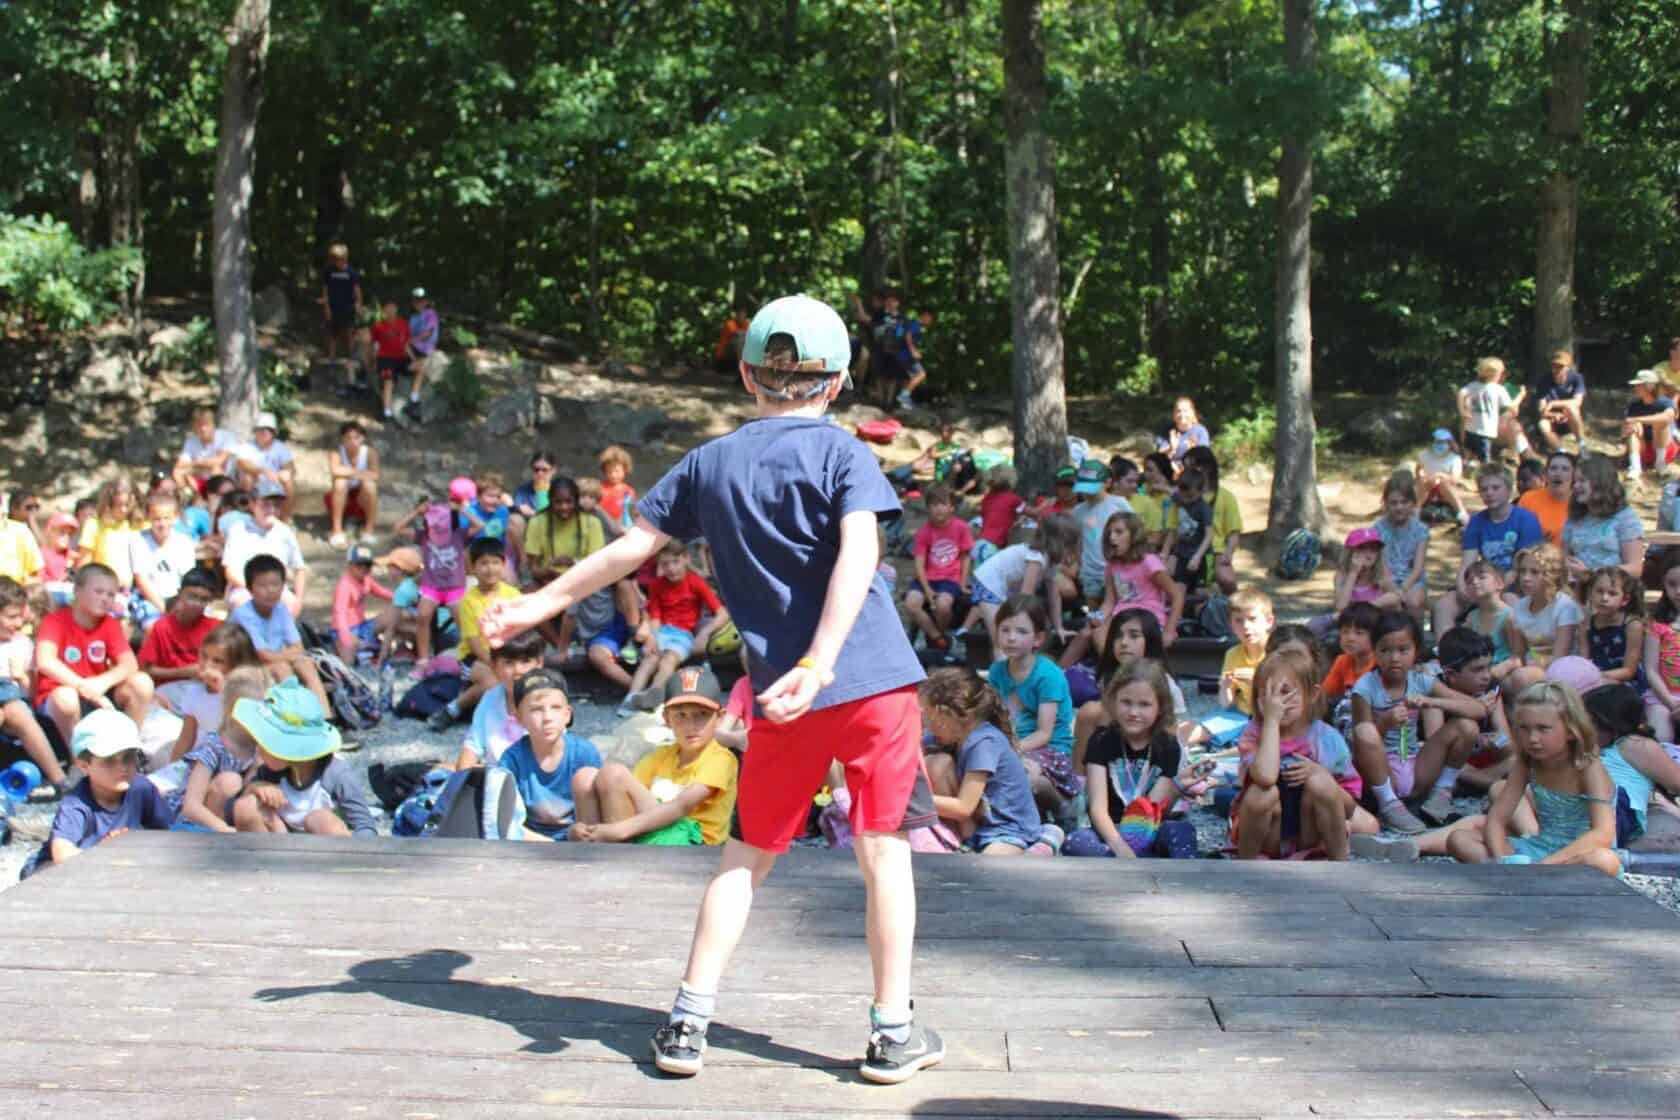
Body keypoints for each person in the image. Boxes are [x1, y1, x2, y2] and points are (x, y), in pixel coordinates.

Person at [479, 295, 943, 1084]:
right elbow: (858, 556)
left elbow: (631, 546)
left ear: (744, 375)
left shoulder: (708, 463)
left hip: (782, 699)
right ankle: (891, 1034)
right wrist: (821, 661)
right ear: (836, 384)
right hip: (867, 684)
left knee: (743, 857)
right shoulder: (846, 457)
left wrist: (540, 600)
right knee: (882, 851)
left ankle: (688, 1023)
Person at [1445, 681, 1621, 876]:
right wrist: (1501, 858)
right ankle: (1521, 876)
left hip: (1576, 854)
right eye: (1524, 729)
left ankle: (1529, 877)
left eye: (1543, 729)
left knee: (1605, 860)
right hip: (1540, 847)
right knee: (1459, 839)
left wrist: (1545, 865)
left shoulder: (1588, 766)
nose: (1532, 738)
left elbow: (1603, 834)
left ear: (1572, 731)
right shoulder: (1526, 762)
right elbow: (1496, 818)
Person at [575, 666, 740, 846]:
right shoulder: (662, 755)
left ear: (720, 718)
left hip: (694, 844)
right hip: (655, 833)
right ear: (667, 719)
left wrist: (619, 830)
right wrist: (578, 829)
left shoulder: (720, 758)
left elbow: (682, 806)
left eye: (701, 715)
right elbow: (626, 796)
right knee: (585, 777)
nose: (690, 725)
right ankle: (589, 843)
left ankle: (619, 859)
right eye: (680, 715)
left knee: (613, 774)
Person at [1350, 611, 1479, 833]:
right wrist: (1386, 722)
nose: (1394, 658)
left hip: (1415, 765)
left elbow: (1477, 709)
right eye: (1385, 650)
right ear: (1374, 651)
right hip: (1381, 770)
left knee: (1467, 727)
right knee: (1364, 731)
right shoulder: (1365, 688)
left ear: (1415, 651)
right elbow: (1362, 742)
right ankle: (1389, 805)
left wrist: (1431, 701)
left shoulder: (1421, 681)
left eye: (1403, 650)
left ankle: (1440, 795)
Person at [1064, 659, 1202, 858]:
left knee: (1182, 830)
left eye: (1144, 705)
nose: (1133, 712)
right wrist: (1120, 847)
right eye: (1126, 702)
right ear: (1113, 701)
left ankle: (1146, 868)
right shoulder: (1100, 740)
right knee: (1076, 842)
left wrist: (1178, 786)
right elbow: (1097, 809)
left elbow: (1154, 806)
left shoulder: (1168, 746)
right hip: (1109, 832)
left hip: (1148, 829)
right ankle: (1143, 865)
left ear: (1160, 708)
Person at [1234, 651, 1365, 861]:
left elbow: (1349, 809)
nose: (1275, 702)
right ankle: (1244, 866)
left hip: (1309, 835)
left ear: (1312, 695)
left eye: (1285, 692)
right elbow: (1265, 777)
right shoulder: (1254, 733)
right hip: (1269, 839)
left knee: (1321, 783)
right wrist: (1271, 722)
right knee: (1262, 793)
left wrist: (1322, 775)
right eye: (1266, 694)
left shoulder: (1327, 738)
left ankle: (1340, 865)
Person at [19, 710, 173, 879]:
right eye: (109, 760)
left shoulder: (142, 789)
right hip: (53, 871)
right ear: (84, 765)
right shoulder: (76, 804)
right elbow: (62, 853)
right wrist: (112, 860)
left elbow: (168, 832)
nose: (122, 767)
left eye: (128, 757)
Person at [921, 668, 1051, 855]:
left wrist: (911, 801)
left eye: (934, 720)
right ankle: (965, 840)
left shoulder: (984, 743)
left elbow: (964, 807)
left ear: (957, 717)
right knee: (936, 762)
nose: (929, 727)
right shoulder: (951, 734)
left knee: (987, 868)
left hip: (1008, 830)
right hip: (978, 827)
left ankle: (1044, 843)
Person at [230, 678, 376, 836]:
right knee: (247, 805)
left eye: (266, 743)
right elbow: (230, 811)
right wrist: (254, 788)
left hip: (328, 854)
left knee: (319, 820)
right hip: (280, 851)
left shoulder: (337, 775)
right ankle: (259, 860)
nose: (258, 748)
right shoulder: (270, 772)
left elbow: (366, 827)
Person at [34, 564, 154, 748]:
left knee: (141, 683)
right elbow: (45, 662)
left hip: (98, 691)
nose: (105, 599)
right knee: (66, 698)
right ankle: (79, 760)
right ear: (77, 591)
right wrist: (83, 686)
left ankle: (128, 748)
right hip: (61, 696)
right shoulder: (55, 621)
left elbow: (129, 664)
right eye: (98, 592)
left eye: (110, 594)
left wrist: (101, 683)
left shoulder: (110, 623)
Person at [987, 595, 1078, 822]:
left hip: (1050, 750)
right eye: (1005, 630)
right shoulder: (997, 671)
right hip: (1014, 744)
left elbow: (1044, 734)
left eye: (1020, 631)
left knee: (1023, 774)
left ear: (1038, 638)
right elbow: (994, 717)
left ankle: (1062, 805)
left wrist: (1009, 750)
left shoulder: (1048, 676)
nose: (1011, 638)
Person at [1431, 463, 1544, 638]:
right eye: (1484, 489)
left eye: (1495, 488)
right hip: (1483, 583)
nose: (1489, 493)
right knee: (1444, 605)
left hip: (1515, 585)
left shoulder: (1525, 519)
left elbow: (1521, 566)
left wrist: (1492, 589)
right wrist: (1463, 587)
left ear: (1508, 489)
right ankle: (1447, 653)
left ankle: (1520, 651)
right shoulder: (1476, 521)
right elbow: (1468, 562)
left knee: (1509, 601)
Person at [1070, 608, 1189, 769]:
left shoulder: (1164, 682)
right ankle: (1079, 777)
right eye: (1118, 636)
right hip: (1118, 742)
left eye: (1134, 636)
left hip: (1157, 756)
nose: (1124, 642)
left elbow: (1171, 731)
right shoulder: (1109, 675)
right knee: (1088, 713)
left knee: (1092, 711)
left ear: (1150, 640)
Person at [1060, 511, 1181, 668]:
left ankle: (1116, 673)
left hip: (1148, 617)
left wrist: (1169, 631)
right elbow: (1109, 601)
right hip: (1120, 615)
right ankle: (1057, 674)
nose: (1112, 537)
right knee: (1085, 632)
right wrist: (1096, 616)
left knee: (1099, 633)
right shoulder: (1112, 566)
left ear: (1134, 536)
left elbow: (1177, 595)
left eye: (1119, 532)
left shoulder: (1149, 562)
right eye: (1110, 533)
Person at [623, 539, 728, 715]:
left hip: (683, 634)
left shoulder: (696, 582)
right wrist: (652, 638)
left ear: (686, 559)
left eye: (676, 561)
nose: (671, 568)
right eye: (665, 564)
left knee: (668, 660)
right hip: (662, 631)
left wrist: (704, 633)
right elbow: (655, 615)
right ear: (660, 565)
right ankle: (630, 699)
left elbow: (722, 613)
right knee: (650, 659)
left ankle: (654, 694)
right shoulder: (656, 585)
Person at [495, 669, 602, 840]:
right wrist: (550, 845)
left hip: (580, 838)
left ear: (567, 714)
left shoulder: (584, 753)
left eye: (556, 708)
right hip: (532, 843)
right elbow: (508, 822)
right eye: (536, 710)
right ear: (519, 718)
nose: (547, 718)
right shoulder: (512, 760)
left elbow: (600, 810)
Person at [430, 537, 523, 731]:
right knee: (492, 683)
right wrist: (496, 664)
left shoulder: (513, 595)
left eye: (495, 562)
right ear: (472, 567)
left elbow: (521, 628)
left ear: (504, 564)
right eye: (484, 563)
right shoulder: (468, 601)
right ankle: (453, 709)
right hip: (475, 656)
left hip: (508, 652)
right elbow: (473, 643)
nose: (490, 569)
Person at [229, 554, 331, 715]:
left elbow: (298, 646)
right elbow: (262, 655)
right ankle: (295, 717)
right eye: (262, 585)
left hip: (274, 658)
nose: (270, 590)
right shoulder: (243, 614)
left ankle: (325, 717)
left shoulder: (281, 609)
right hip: (248, 664)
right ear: (250, 589)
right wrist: (287, 655)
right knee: (282, 668)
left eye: (276, 584)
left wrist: (285, 655)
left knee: (305, 664)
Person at [0, 577, 71, 796]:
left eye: (21, 617)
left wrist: (21, 677)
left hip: (17, 706)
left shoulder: (21, 644)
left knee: (14, 708)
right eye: (11, 617)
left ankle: (59, 779)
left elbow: (30, 692)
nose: (19, 623)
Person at [176, 665, 267, 831]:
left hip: (233, 822)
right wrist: (224, 829)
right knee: (230, 781)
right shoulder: (213, 746)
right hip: (196, 825)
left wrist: (257, 766)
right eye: (254, 713)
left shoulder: (259, 749)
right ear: (232, 711)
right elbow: (190, 807)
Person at [454, 628, 547, 770]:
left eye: (525, 662)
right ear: (494, 666)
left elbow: (552, 754)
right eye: (509, 663)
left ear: (539, 663)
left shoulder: (548, 701)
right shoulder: (491, 698)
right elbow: (473, 745)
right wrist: (462, 777)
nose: (517, 671)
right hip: (496, 778)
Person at [166, 622, 261, 760]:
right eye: (204, 656)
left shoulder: (246, 696)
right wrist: (173, 767)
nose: (207, 665)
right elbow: (186, 738)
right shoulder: (195, 692)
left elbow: (244, 735)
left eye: (217, 661)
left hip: (232, 762)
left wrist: (223, 691)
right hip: (199, 759)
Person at [903, 484, 973, 653]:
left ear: (951, 507)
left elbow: (965, 557)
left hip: (949, 579)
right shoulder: (924, 532)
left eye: (943, 504)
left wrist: (963, 583)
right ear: (928, 508)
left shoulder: (961, 528)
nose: (938, 509)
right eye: (934, 505)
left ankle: (941, 634)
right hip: (926, 578)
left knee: (943, 605)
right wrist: (927, 589)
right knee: (911, 603)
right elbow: (919, 563)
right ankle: (937, 637)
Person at [224, 478, 308, 613]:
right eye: (265, 505)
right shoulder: (239, 530)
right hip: (244, 589)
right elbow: (231, 571)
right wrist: (256, 589)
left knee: (290, 604)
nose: (272, 510)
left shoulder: (285, 532)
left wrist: (299, 598)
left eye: (276, 505)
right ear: (252, 505)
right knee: (241, 604)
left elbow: (299, 568)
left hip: (277, 590)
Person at [1561, 455, 1644, 590]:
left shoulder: (1625, 517)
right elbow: (1564, 557)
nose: (1576, 486)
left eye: (1582, 481)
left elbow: (1634, 569)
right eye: (1575, 481)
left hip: (1613, 591)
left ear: (1599, 483)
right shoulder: (1574, 518)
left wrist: (1591, 573)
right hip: (1577, 589)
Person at [136, 568, 222, 686]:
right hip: (168, 688)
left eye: (203, 600)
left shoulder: (215, 627)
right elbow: (146, 669)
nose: (196, 604)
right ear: (180, 593)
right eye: (192, 597)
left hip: (205, 686)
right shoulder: (162, 627)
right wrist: (184, 672)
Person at [128, 491, 197, 629]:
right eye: (157, 519)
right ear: (149, 518)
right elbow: (141, 580)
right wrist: (164, 608)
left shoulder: (184, 542)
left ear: (176, 517)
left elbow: (189, 579)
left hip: (177, 598)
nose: (162, 523)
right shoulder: (138, 541)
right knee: (154, 627)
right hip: (149, 598)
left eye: (167, 518)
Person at [1071, 460, 1133, 608]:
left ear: (1108, 482)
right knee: (1094, 609)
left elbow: (1133, 531)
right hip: (1090, 573)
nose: (1087, 493)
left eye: (1092, 488)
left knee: (1119, 607)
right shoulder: (1078, 511)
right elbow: (1078, 541)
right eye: (1084, 489)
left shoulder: (1119, 504)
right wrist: (1081, 565)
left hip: (1117, 570)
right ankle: (1095, 628)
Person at [1180, 446, 1242, 596]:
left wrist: (1229, 552)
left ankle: (1235, 610)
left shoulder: (1226, 497)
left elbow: (1233, 532)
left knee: (1227, 580)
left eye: (1191, 468)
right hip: (1185, 548)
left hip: (1215, 550)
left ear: (1206, 468)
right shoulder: (1181, 495)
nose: (1187, 473)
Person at [1510, 544, 1581, 668]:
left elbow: (1560, 657)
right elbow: (1518, 654)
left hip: (1560, 669)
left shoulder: (1564, 606)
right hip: (1529, 667)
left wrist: (1527, 667)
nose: (1526, 578)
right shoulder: (1520, 606)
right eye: (1522, 571)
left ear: (1551, 575)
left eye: (1535, 572)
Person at [1576, 566, 1644, 686]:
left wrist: (1596, 677)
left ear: (1625, 599)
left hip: (1624, 683)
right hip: (1593, 679)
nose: (1604, 598)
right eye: (1599, 591)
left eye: (1612, 593)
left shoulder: (1632, 626)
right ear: (1591, 593)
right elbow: (1583, 662)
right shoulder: (1586, 624)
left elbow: (1629, 671)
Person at [75, 476, 141, 599]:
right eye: (118, 505)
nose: (123, 509)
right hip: (101, 591)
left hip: (133, 591)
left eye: (127, 504)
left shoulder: (138, 525)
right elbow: (83, 565)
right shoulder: (94, 525)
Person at [1461, 558, 1524, 679]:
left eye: (1482, 577)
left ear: (1499, 583)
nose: (1474, 582)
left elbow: (1517, 658)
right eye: (1469, 581)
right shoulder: (1471, 617)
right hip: (1478, 672)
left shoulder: (1509, 618)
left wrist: (1494, 672)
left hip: (1502, 674)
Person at [1458, 356, 1528, 464]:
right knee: (1485, 460)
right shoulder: (1498, 389)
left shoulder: (1473, 386)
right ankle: (1484, 473)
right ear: (1496, 374)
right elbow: (1512, 406)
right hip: (1485, 431)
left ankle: (1468, 467)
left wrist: (1462, 411)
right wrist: (1521, 395)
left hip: (1470, 429)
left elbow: (1461, 393)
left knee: (1470, 455)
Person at [331, 543, 393, 665]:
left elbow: (382, 592)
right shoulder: (345, 585)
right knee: (351, 646)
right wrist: (345, 635)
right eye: (359, 565)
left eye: (367, 566)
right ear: (350, 565)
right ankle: (347, 674)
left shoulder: (367, 580)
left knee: (391, 616)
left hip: (362, 626)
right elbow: (339, 612)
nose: (364, 569)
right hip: (344, 629)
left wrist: (404, 598)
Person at [1218, 587, 1274, 718]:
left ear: (1269, 622)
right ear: (1231, 625)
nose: (1246, 626)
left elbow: (1283, 701)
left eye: (1252, 619)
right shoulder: (1232, 654)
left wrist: (1257, 681)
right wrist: (1225, 686)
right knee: (1195, 732)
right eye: (1238, 620)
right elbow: (1225, 704)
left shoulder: (1277, 653)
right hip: (1242, 713)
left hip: (1271, 718)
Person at [326, 420, 381, 549]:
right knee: (340, 482)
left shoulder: (369, 452)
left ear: (363, 438)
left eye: (357, 437)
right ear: (343, 439)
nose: (353, 442)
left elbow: (375, 475)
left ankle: (369, 530)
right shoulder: (337, 453)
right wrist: (360, 473)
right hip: (341, 497)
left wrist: (349, 472)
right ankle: (337, 530)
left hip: (361, 497)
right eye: (348, 438)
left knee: (370, 485)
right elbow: (335, 471)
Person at [232, 412, 296, 520]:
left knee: (288, 481)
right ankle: (250, 517)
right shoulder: (247, 446)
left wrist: (284, 473)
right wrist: (262, 471)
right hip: (255, 482)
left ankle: (285, 519)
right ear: (255, 431)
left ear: (274, 432)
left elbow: (290, 467)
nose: (265, 432)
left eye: (268, 429)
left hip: (275, 482)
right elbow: (242, 463)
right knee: (247, 478)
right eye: (261, 429)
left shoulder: (280, 447)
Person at [1643, 552, 1680, 741]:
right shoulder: (1658, 624)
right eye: (1672, 584)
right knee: (1660, 735)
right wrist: (1671, 704)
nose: (1678, 591)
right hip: (1663, 697)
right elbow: (1651, 670)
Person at [1162, 466, 1214, 596]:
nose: (1185, 500)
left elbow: (1209, 535)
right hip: (1182, 553)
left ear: (1201, 491)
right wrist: (1155, 487)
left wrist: (1197, 556)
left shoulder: (1204, 508)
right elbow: (1170, 491)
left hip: (1199, 555)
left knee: (1200, 592)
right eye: (1182, 495)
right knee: (1178, 587)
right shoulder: (1181, 498)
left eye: (1190, 496)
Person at [321, 243, 365, 385]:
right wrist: (326, 307)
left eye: (341, 259)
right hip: (333, 308)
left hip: (348, 308)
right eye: (336, 259)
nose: (339, 261)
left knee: (349, 334)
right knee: (332, 335)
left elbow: (357, 290)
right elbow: (325, 290)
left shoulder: (351, 273)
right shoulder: (329, 271)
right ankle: (331, 362)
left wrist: (359, 305)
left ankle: (351, 359)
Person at [1323, 602, 1380, 706]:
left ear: (1375, 636)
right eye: (1345, 631)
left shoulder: (1380, 666)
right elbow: (1324, 694)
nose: (1350, 638)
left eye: (1359, 633)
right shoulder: (1342, 661)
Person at [1623, 369, 1677, 479]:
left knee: (1660, 423)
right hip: (1643, 449)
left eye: (1639, 385)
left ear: (1650, 386)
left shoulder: (1666, 402)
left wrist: (1639, 420)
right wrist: (1632, 425)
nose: (1635, 388)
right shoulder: (1634, 406)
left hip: (1665, 449)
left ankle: (1660, 464)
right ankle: (1635, 467)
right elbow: (1625, 428)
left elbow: (1668, 417)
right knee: (1633, 429)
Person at [172, 407, 238, 496]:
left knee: (215, 470)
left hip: (224, 476)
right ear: (194, 427)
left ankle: (216, 500)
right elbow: (180, 464)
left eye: (206, 425)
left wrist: (194, 464)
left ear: (213, 424)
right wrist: (200, 466)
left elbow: (219, 461)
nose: (203, 429)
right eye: (199, 425)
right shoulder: (191, 441)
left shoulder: (226, 437)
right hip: (199, 474)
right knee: (177, 472)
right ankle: (187, 498)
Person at [1518, 450, 1575, 548]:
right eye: (1553, 468)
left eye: (1565, 469)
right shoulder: (1528, 499)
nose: (1558, 473)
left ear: (1574, 475)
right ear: (1546, 474)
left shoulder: (1581, 503)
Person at [367, 298, 412, 420]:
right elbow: (375, 345)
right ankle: (386, 411)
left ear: (396, 309)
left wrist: (413, 358)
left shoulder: (404, 324)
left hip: (402, 357)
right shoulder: (378, 326)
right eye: (387, 308)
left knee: (419, 367)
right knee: (388, 381)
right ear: (383, 310)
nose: (390, 311)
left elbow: (406, 343)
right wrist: (373, 361)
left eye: (392, 308)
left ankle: (414, 400)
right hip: (385, 358)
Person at [1536, 350, 1587, 454]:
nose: (1557, 369)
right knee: (1542, 424)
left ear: (1568, 367)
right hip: (1552, 419)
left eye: (1561, 366)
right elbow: (1541, 408)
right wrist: (1553, 414)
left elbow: (1577, 402)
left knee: (1572, 409)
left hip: (1571, 417)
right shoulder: (1543, 381)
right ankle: (1562, 452)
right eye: (1554, 366)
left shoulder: (1577, 378)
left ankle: (1582, 446)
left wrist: (1553, 404)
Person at [1414, 429, 1468, 524]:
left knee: (1443, 483)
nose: (1439, 444)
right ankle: (1416, 511)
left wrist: (1440, 475)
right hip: (1428, 488)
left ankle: (1461, 513)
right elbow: (1417, 470)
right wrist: (1422, 478)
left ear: (1449, 443)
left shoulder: (1455, 459)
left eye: (1443, 442)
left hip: (1446, 490)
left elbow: (1455, 479)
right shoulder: (1425, 455)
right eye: (1437, 441)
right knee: (1426, 482)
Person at [975, 464, 1025, 557]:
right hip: (995, 544)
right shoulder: (1015, 499)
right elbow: (1027, 512)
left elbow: (984, 513)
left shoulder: (987, 499)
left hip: (981, 542)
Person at [405, 287, 440, 412]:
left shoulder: (431, 314)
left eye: (420, 300)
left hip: (424, 348)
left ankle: (414, 399)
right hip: (413, 349)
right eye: (415, 301)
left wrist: (411, 340)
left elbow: (428, 333)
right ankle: (414, 400)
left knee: (421, 367)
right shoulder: (413, 317)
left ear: (426, 301)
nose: (418, 303)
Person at [889, 307, 930, 411]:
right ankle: (903, 396)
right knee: (921, 374)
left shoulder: (913, 323)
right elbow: (908, 336)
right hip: (906, 356)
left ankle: (904, 401)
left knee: (908, 379)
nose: (930, 321)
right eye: (930, 318)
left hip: (901, 355)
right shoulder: (915, 324)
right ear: (925, 315)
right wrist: (913, 352)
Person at [0, 494, 44, 587]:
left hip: (14, 594)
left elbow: (37, 573)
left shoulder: (21, 531)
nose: (33, 511)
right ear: (13, 508)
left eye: (36, 507)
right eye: (29, 507)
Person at [1156, 397, 1209, 468]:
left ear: (1192, 413)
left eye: (1185, 411)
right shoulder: (1166, 431)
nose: (1181, 414)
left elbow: (1204, 459)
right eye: (1178, 411)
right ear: (1174, 414)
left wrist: (1192, 451)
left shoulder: (1200, 431)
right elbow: (1158, 458)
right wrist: (1171, 448)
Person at [598, 445, 638, 539]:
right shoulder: (599, 488)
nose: (613, 475)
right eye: (609, 471)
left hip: (622, 530)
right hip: (603, 529)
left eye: (617, 471)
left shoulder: (629, 491)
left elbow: (630, 513)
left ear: (625, 470)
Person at [712, 303, 752, 374]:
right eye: (739, 314)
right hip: (724, 355)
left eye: (743, 314)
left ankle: (747, 370)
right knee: (740, 340)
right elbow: (737, 334)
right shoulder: (730, 324)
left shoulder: (747, 324)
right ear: (736, 315)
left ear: (745, 315)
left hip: (738, 354)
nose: (741, 316)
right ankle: (742, 372)